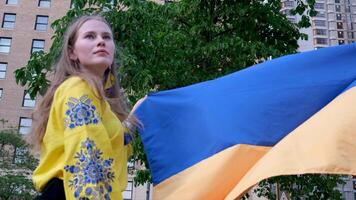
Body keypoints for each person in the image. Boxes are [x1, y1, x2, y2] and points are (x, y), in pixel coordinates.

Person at [30, 15, 136, 200]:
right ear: (72, 52)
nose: (101, 41)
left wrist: (131, 122)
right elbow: (88, 156)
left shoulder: (99, 100)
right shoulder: (78, 87)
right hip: (73, 192)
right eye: (90, 36)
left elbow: (112, 149)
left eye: (106, 37)